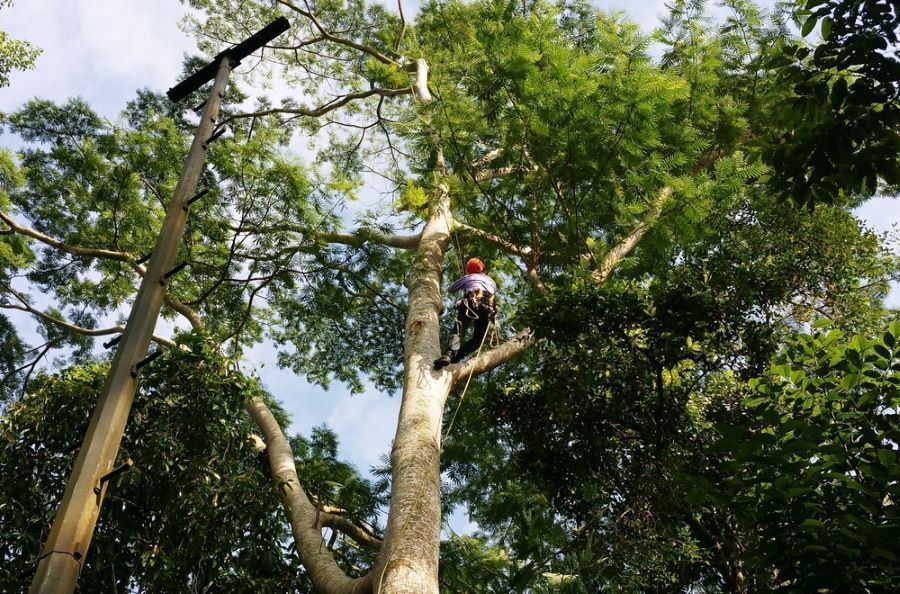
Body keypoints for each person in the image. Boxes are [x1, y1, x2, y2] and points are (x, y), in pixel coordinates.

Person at [434, 257, 498, 369]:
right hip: (488, 310)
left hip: (471, 304)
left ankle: (449, 355)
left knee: (458, 330)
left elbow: (450, 289)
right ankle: (456, 358)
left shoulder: (468, 277)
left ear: (468, 269)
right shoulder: (491, 281)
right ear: (482, 268)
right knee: (478, 339)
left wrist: (464, 282)